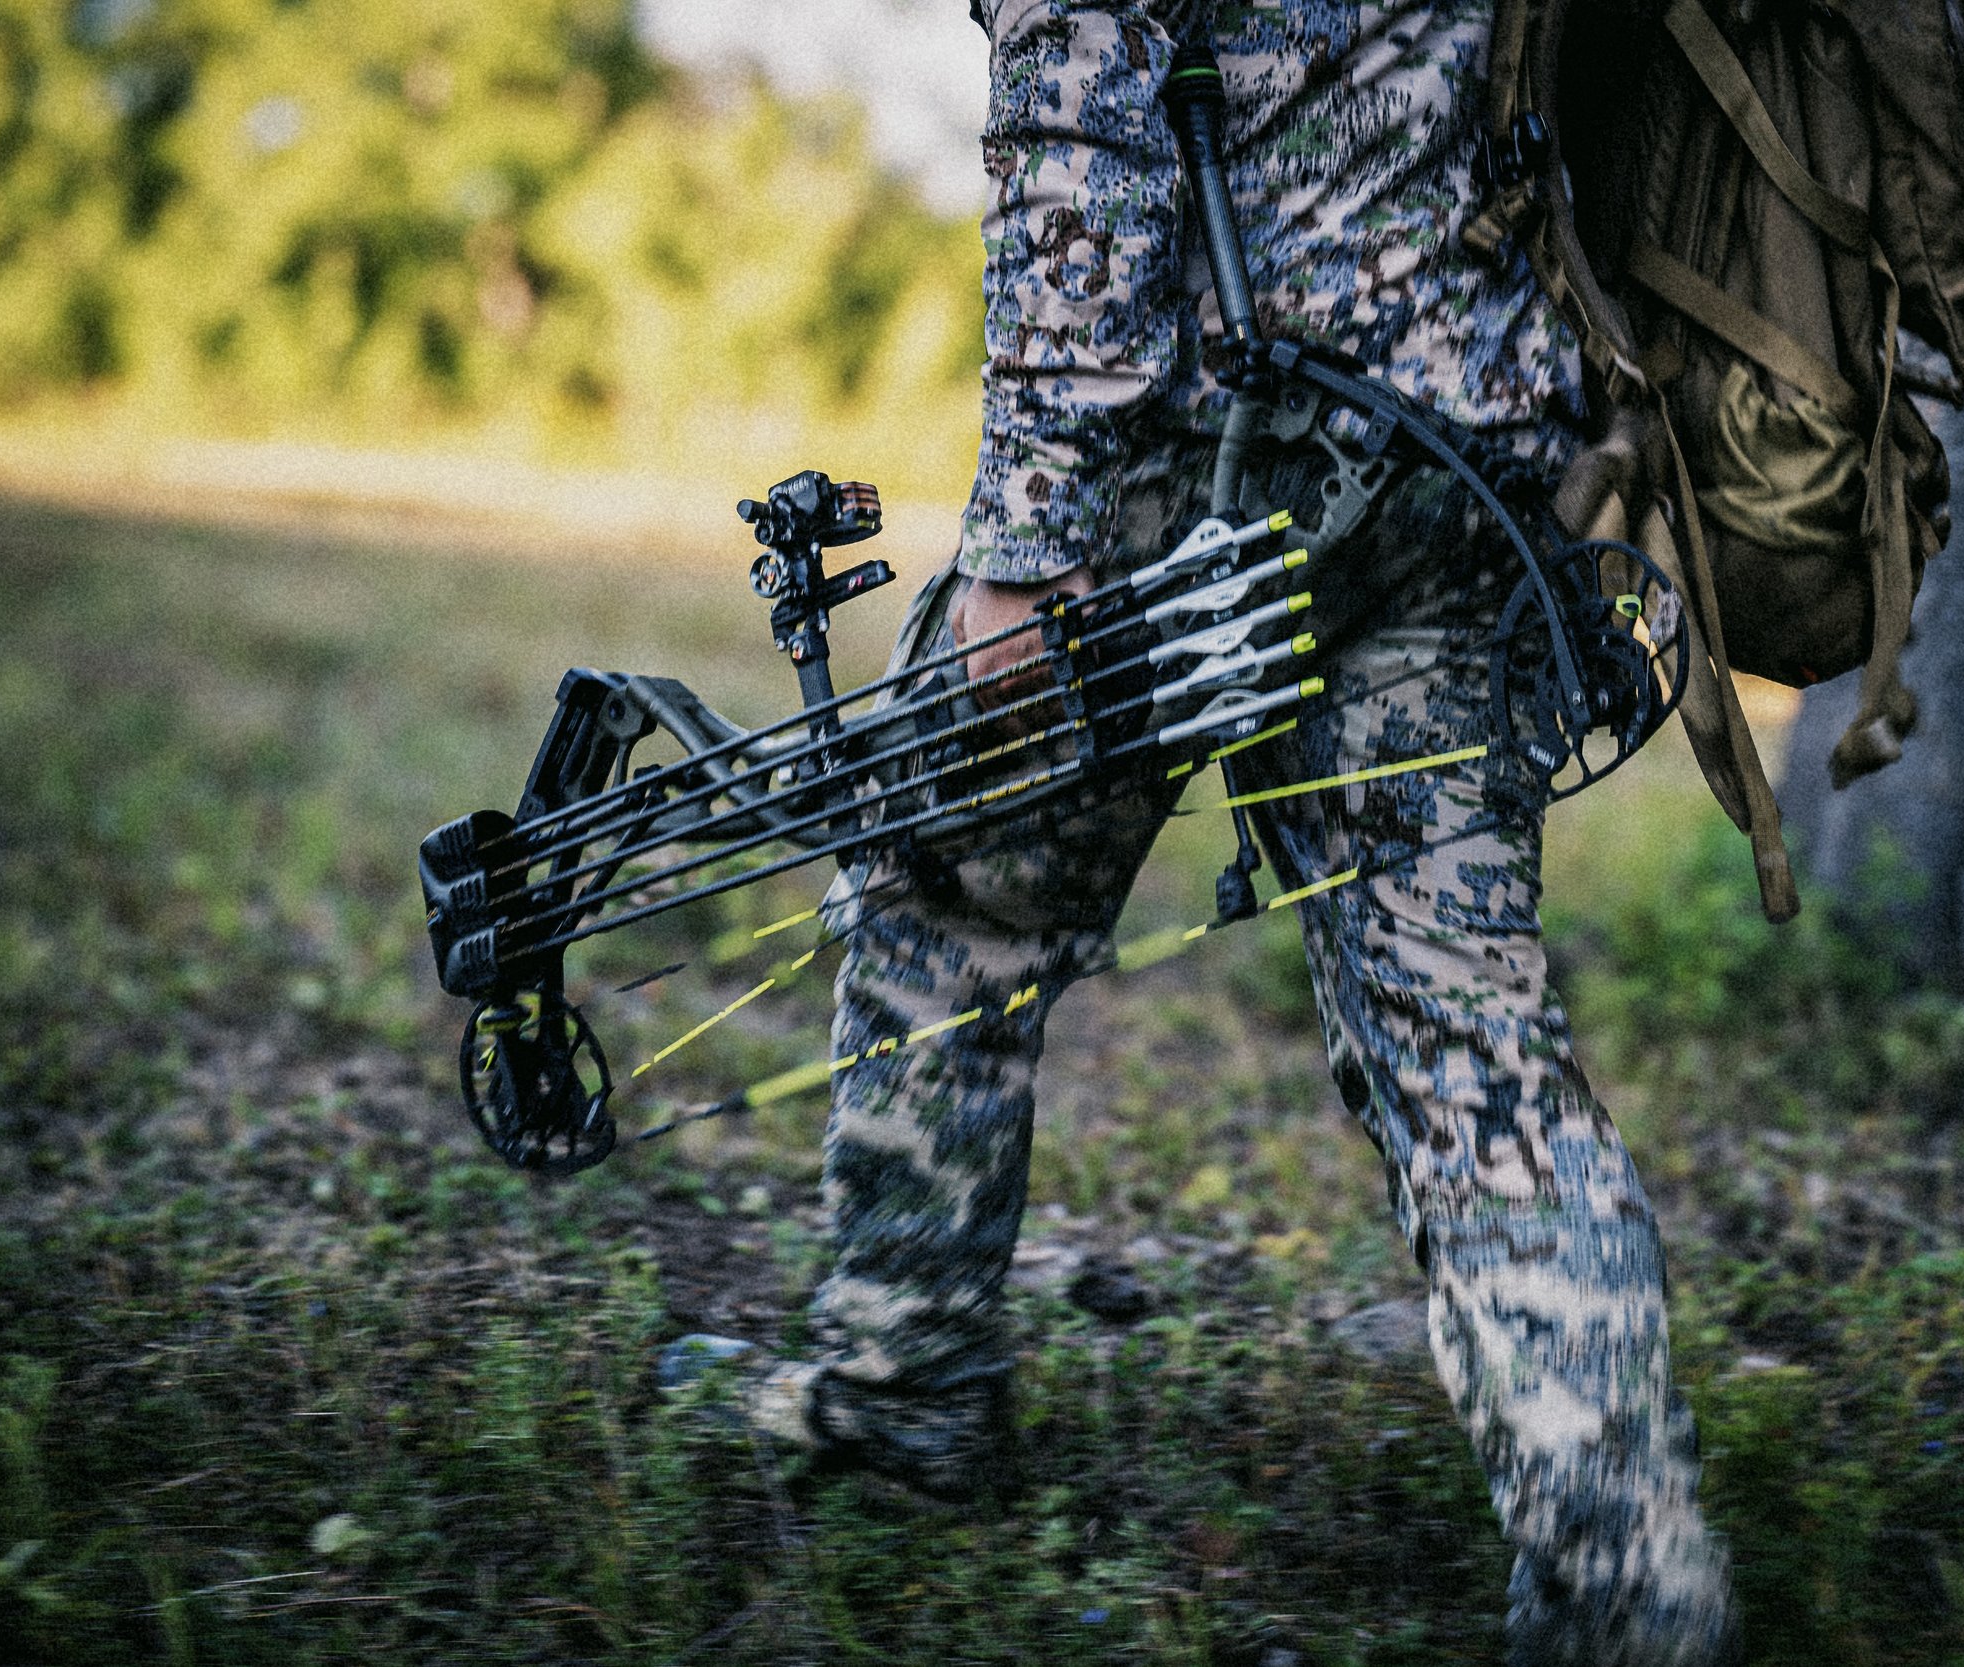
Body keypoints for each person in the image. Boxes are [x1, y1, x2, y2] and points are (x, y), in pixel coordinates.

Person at [666, 4, 1737, 1660]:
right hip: (1458, 457)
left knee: (951, 902)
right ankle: (1630, 1579)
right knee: (1468, 1048)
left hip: (1202, 465)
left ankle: (900, 1394)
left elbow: (1076, 119)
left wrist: (1030, 538)